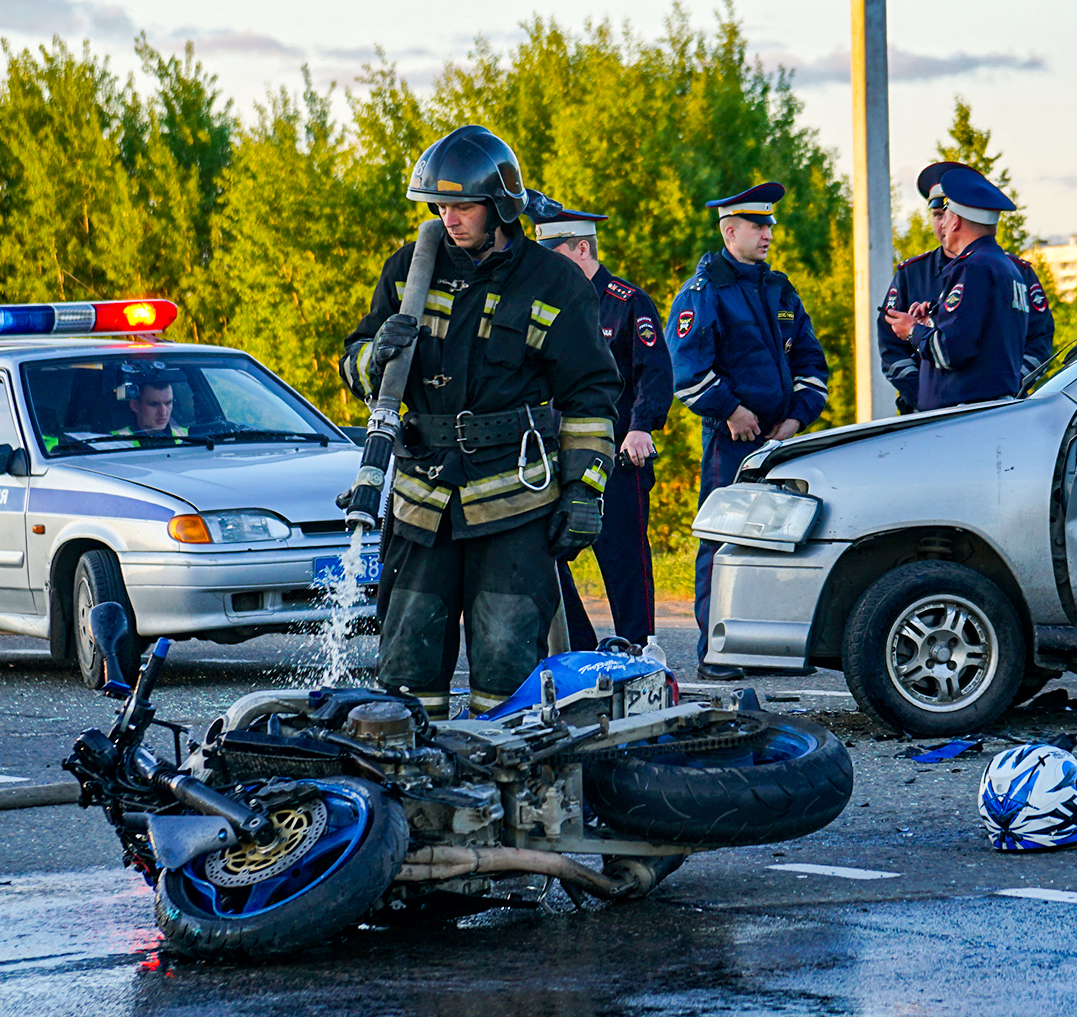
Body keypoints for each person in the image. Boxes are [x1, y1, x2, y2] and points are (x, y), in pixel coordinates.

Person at [339, 125, 622, 720]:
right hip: (422, 504)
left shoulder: (555, 283)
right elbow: (356, 362)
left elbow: (591, 397)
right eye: (441, 207)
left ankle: (507, 799)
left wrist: (586, 492)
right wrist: (377, 355)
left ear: (501, 206)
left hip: (513, 505)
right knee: (406, 672)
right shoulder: (407, 269)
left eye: (463, 206)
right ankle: (412, 795)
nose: (450, 219)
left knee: (506, 671)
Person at [667, 182, 829, 680]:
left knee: (783, 541)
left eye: (769, 226)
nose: (768, 235)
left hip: (781, 440)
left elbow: (811, 362)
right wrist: (734, 410)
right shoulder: (704, 291)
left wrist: (796, 420)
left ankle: (768, 647)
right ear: (729, 229)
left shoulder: (778, 288)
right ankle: (714, 651)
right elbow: (687, 373)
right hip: (730, 442)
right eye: (758, 226)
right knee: (722, 542)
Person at [537, 205, 671, 649]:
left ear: (581, 247)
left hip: (617, 457)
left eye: (554, 252)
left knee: (624, 560)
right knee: (543, 552)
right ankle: (579, 646)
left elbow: (653, 372)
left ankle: (638, 650)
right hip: (559, 456)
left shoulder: (627, 302)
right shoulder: (548, 304)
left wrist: (642, 427)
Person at [878, 162, 1054, 412]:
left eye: (945, 214)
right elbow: (893, 351)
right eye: (936, 215)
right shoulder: (1003, 266)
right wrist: (930, 323)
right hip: (979, 411)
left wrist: (913, 331)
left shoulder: (974, 267)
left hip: (961, 416)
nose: (942, 224)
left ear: (956, 221)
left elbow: (953, 349)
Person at [117, 380, 186, 438]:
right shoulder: (115, 442)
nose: (163, 412)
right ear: (135, 405)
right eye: (154, 404)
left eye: (168, 403)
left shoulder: (186, 436)